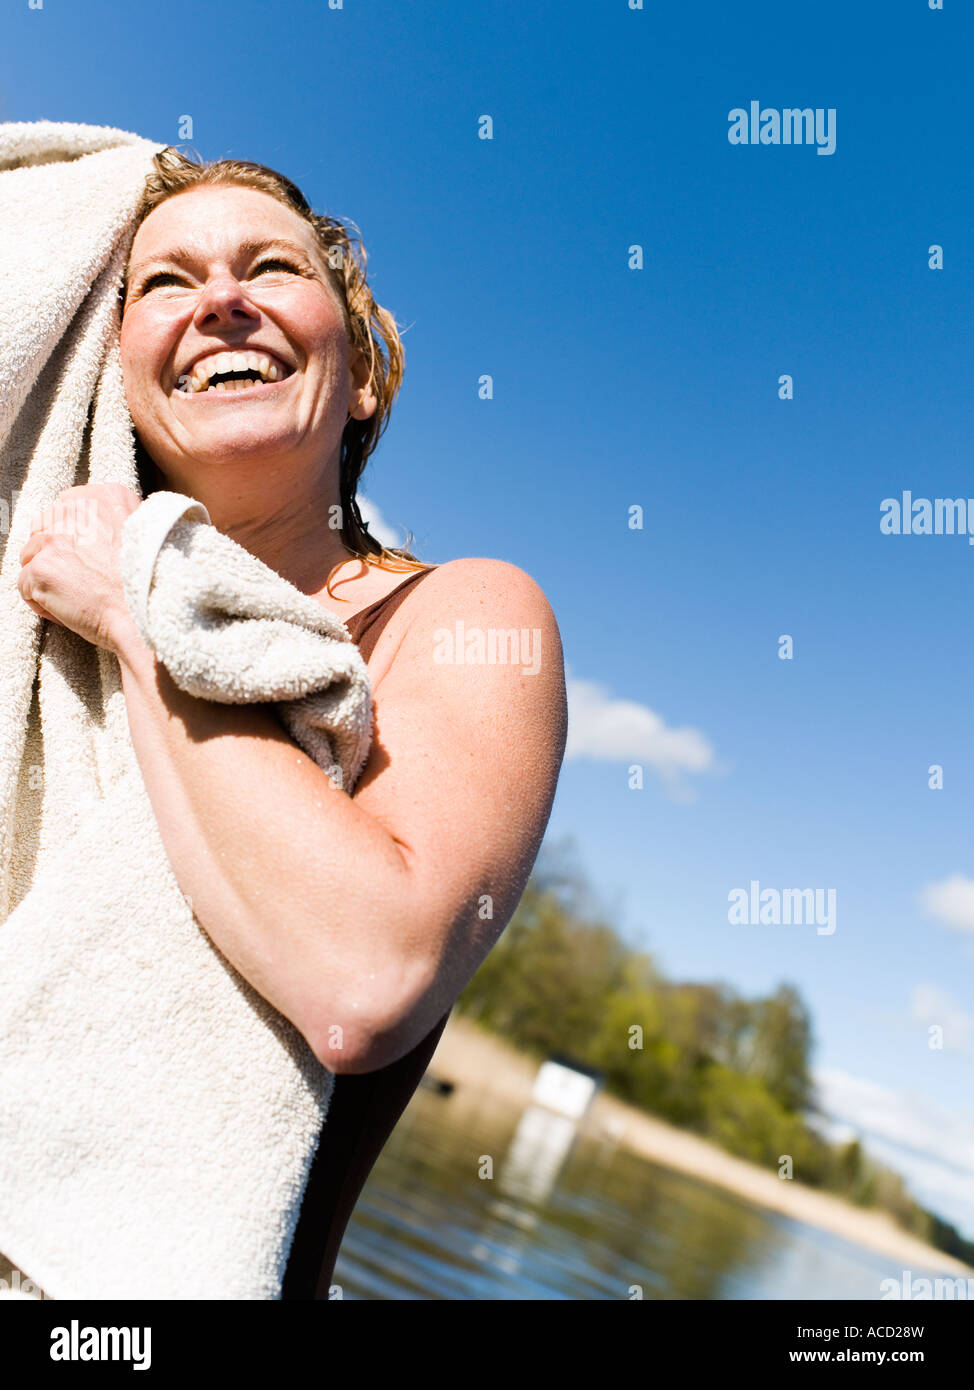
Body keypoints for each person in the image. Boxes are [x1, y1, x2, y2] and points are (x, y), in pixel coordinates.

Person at [12, 147, 568, 1297]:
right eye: (164, 282)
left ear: (359, 374)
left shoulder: (462, 616)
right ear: (111, 374)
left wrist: (135, 607)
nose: (221, 297)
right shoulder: (27, 630)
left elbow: (365, 977)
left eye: (271, 266)